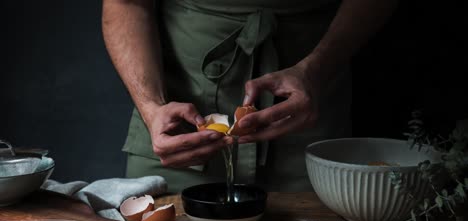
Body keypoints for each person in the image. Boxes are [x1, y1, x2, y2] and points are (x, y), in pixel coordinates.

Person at [102, 0, 399, 192]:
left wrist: (314, 72)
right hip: (179, 114)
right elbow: (126, 4)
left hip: (308, 106)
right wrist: (152, 107)